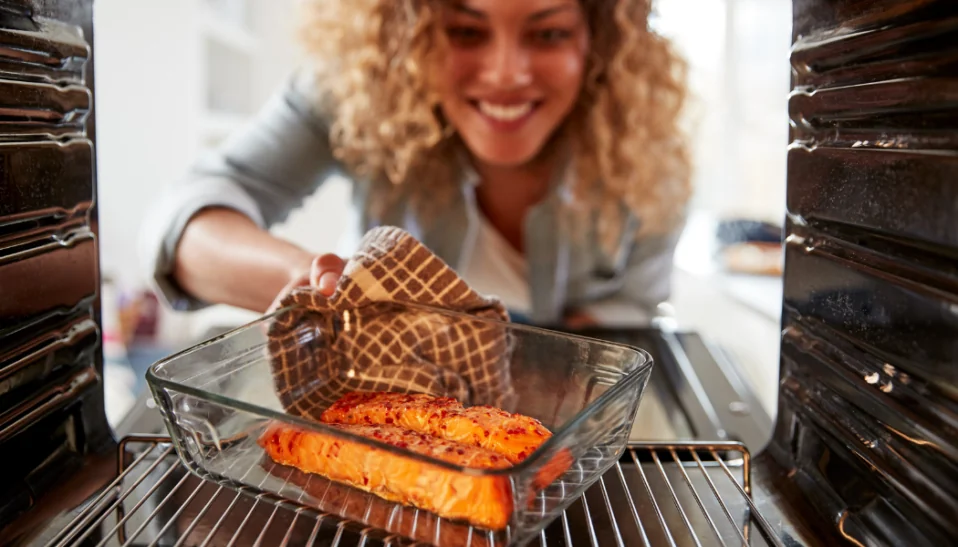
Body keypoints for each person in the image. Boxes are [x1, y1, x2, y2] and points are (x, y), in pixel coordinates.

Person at [138, 0, 690, 327]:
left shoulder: (646, 155)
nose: (505, 73)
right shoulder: (355, 91)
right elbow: (182, 223)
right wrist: (315, 285)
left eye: (548, 33)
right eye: (465, 31)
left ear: (597, 40)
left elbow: (625, 331)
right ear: (412, 33)